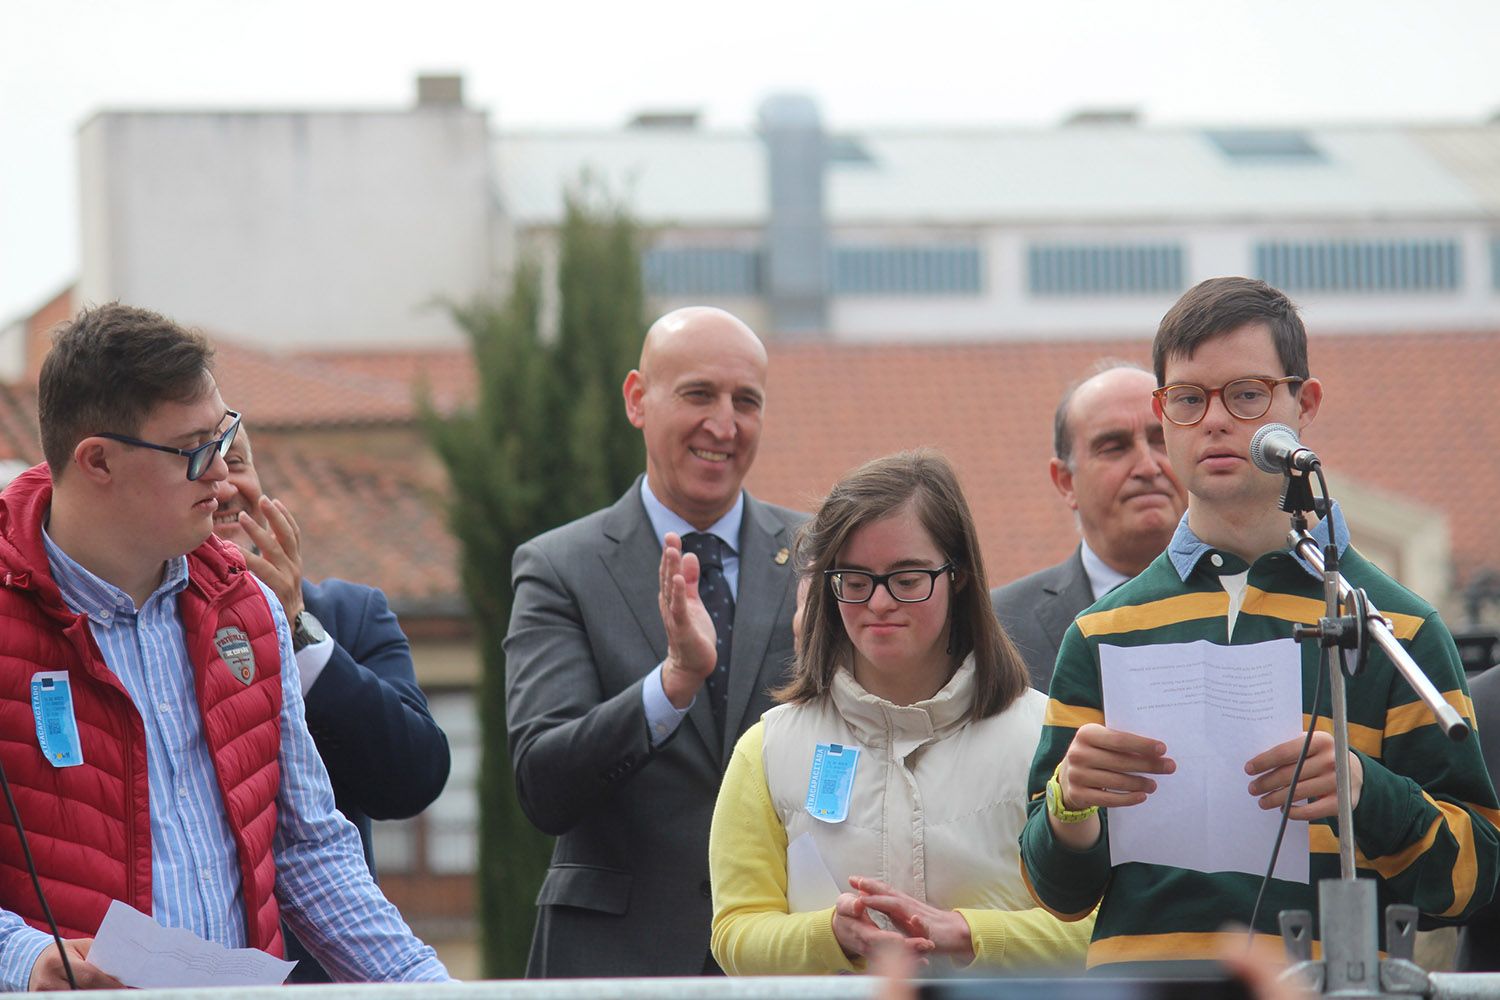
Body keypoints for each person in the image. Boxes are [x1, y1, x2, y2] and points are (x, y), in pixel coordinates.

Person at [1019, 276, 1500, 971]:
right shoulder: (1101, 632)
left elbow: (1474, 879)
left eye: (1246, 394)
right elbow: (1056, 892)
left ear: (1304, 404)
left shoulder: (1397, 625)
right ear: (1165, 412)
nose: (1214, 421)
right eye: (1188, 399)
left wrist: (1368, 794)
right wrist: (1067, 807)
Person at [0, 304, 448, 990]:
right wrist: (21, 956)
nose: (224, 474)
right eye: (196, 450)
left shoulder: (250, 607)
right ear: (97, 461)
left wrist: (430, 986)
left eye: (227, 436)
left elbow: (311, 852)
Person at [504, 306, 804, 976]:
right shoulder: (561, 567)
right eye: (698, 394)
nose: (723, 425)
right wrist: (670, 687)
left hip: (783, 953)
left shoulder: (823, 561)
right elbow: (543, 783)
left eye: (745, 401)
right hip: (616, 963)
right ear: (638, 400)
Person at [709, 450, 1092, 974]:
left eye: (907, 579)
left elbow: (1103, 926)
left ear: (957, 576)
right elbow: (734, 932)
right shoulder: (768, 749)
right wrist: (830, 936)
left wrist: (968, 934)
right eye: (855, 581)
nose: (880, 603)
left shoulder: (1047, 738)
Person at [211, 423, 452, 983]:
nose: (225, 488)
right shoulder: (137, 624)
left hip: (329, 973)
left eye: (238, 463)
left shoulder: (350, 613)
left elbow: (414, 777)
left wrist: (294, 626)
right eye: (203, 467)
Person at [991, 362, 1185, 691]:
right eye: (1114, 448)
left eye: (1161, 440)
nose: (1148, 466)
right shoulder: (999, 628)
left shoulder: (1258, 601)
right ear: (1066, 482)